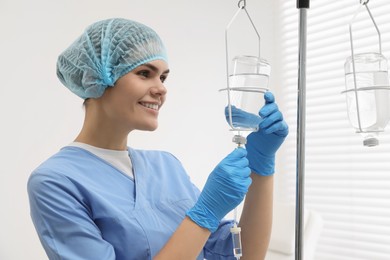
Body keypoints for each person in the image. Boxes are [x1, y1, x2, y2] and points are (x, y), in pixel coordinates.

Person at [27, 18, 288, 260]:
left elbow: (247, 255)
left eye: (163, 77)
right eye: (144, 73)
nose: (161, 88)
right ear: (96, 78)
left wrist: (262, 166)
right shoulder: (55, 181)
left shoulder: (166, 166)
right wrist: (203, 216)